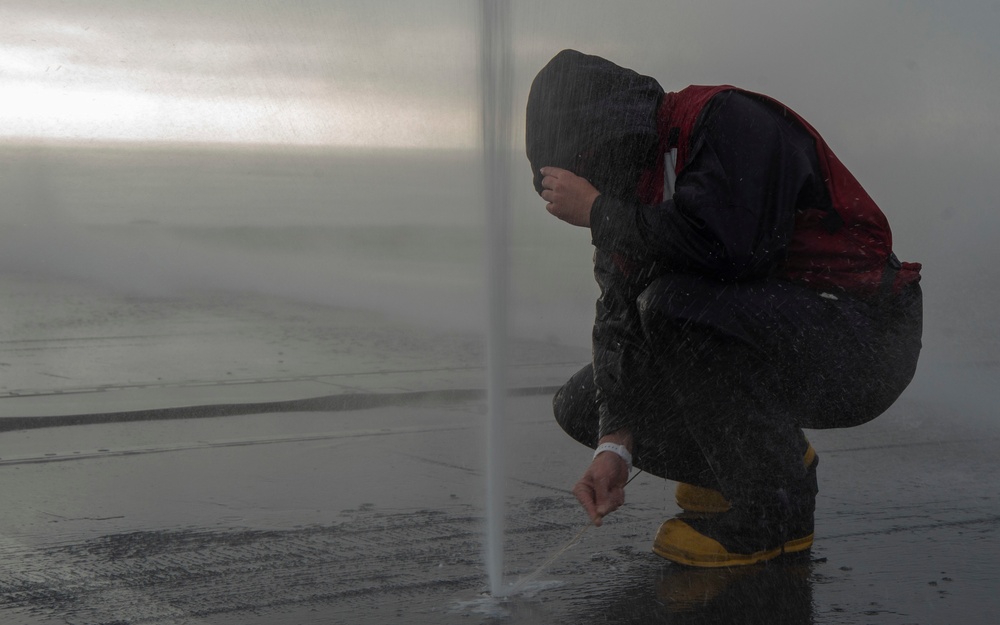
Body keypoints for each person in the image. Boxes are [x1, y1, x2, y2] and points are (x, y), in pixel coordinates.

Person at [525, 50, 923, 567]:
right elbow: (619, 316)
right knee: (584, 402)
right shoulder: (631, 191)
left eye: (585, 163)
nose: (590, 180)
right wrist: (615, 447)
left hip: (861, 341)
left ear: (611, 134)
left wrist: (600, 211)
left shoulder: (726, 120)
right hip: (770, 337)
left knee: (674, 305)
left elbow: (731, 248)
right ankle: (750, 468)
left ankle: (774, 515)